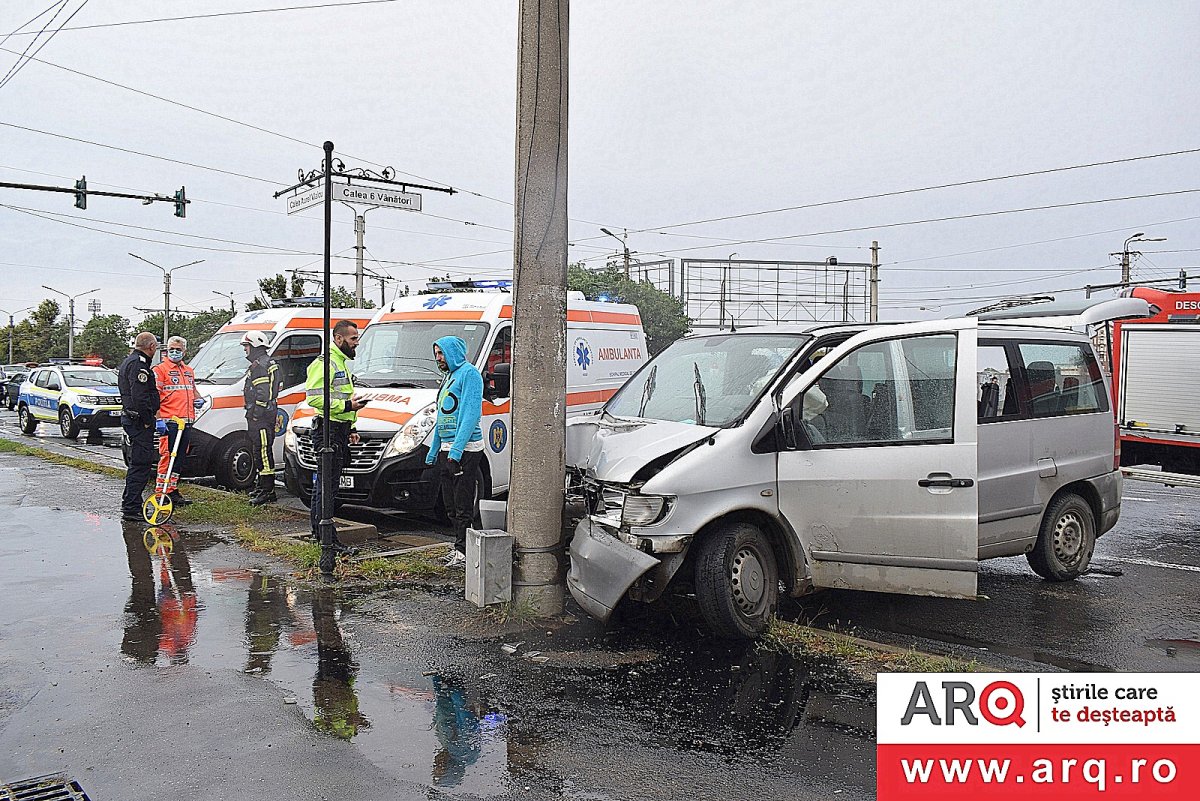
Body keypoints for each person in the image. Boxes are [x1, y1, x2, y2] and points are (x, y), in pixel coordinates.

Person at [305, 319, 369, 554]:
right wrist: (347, 405)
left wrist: (351, 428)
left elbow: (342, 401)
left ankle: (321, 536)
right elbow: (314, 398)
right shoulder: (326, 363)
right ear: (339, 339)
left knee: (328, 486)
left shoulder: (341, 362)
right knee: (326, 487)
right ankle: (326, 541)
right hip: (327, 430)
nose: (357, 344)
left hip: (338, 429)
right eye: (353, 339)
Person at [425, 336, 484, 567]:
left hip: (466, 449)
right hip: (448, 448)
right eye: (436, 354)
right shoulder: (449, 377)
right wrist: (434, 450)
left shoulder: (469, 374)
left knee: (462, 503)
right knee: (449, 503)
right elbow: (442, 415)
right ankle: (458, 546)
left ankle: (465, 551)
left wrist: (456, 453)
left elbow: (469, 416)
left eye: (441, 354)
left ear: (453, 353)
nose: (438, 359)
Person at [152, 335, 202, 507]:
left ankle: (172, 490)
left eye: (178, 350)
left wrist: (199, 399)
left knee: (179, 458)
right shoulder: (160, 370)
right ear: (166, 351)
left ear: (184, 351)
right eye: (171, 349)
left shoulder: (188, 371)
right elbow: (154, 397)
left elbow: (193, 391)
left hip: (186, 421)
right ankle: (161, 493)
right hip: (170, 422)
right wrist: (158, 419)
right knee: (167, 457)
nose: (174, 352)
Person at [118, 332, 160, 521]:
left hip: (134, 419)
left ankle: (132, 503)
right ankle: (132, 507)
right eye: (156, 346)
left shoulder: (131, 361)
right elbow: (140, 397)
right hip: (138, 421)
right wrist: (148, 419)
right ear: (151, 346)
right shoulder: (139, 364)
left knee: (139, 463)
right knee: (141, 464)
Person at [241, 330, 284, 505]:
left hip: (262, 417)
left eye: (247, 346)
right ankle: (263, 487)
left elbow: (263, 393)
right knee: (260, 450)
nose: (245, 350)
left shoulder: (259, 366)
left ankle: (267, 490)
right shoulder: (268, 362)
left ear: (255, 346)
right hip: (268, 414)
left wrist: (256, 414)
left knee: (262, 452)